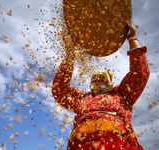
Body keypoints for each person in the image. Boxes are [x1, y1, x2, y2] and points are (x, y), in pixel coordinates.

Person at [52, 20, 150, 150]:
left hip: (116, 143)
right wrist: (70, 55)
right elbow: (60, 90)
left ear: (110, 82)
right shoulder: (83, 98)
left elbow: (140, 73)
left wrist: (132, 39)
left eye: (101, 78)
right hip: (81, 145)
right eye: (94, 79)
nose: (97, 81)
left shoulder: (121, 94)